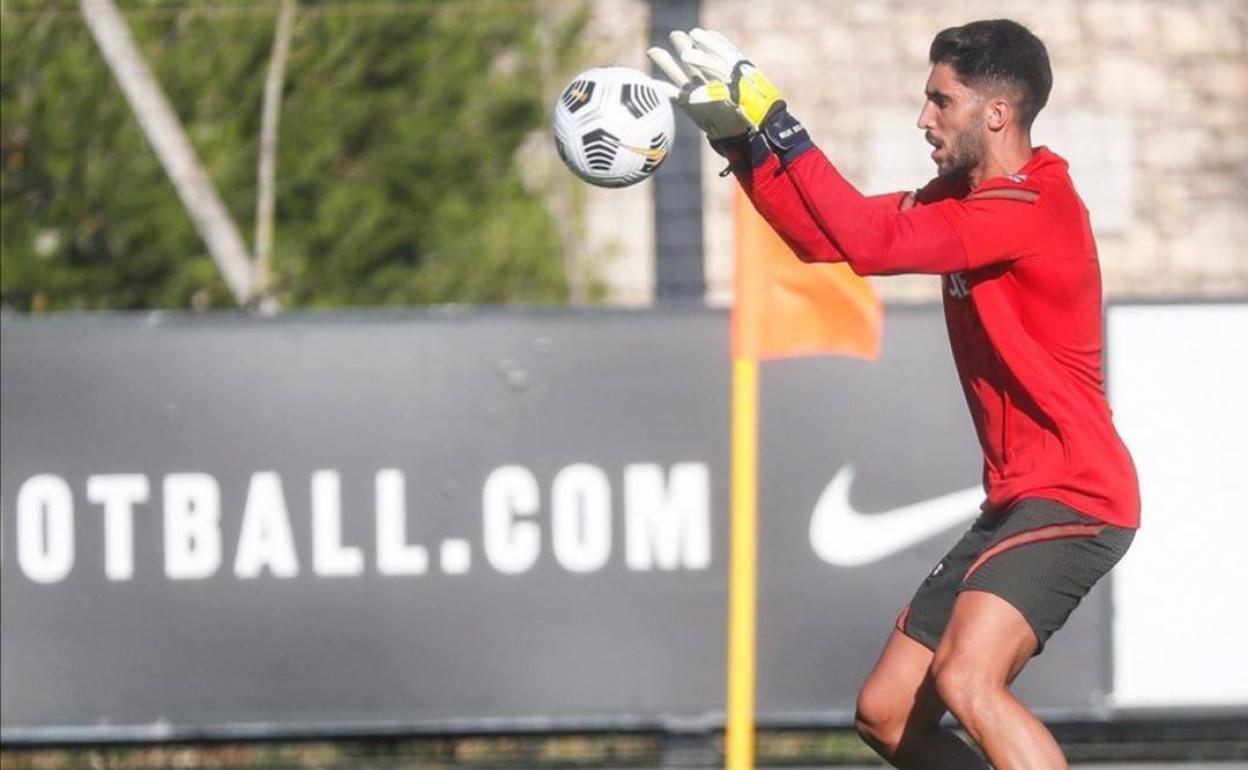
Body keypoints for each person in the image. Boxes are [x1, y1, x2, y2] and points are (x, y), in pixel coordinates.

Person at [648, 19, 1140, 770]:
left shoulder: (1032, 204)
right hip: (1017, 502)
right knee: (885, 714)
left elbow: (872, 246)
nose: (924, 119)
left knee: (969, 679)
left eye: (941, 102)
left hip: (1076, 497)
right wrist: (744, 147)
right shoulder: (964, 199)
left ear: (996, 114)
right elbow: (827, 239)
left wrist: (781, 124)